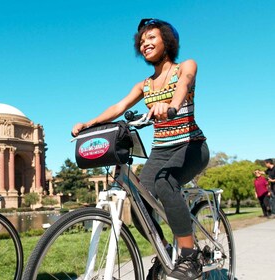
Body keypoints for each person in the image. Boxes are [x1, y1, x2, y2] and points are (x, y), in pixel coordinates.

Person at [72, 18, 209, 280]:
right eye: (141, 42)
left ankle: (189, 257)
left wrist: (170, 105)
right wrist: (89, 124)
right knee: (137, 204)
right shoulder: (144, 85)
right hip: (160, 152)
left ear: (167, 41)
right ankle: (165, 252)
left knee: (165, 183)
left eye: (151, 39)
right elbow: (118, 107)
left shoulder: (185, 66)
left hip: (191, 146)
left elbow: (184, 84)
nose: (145, 44)